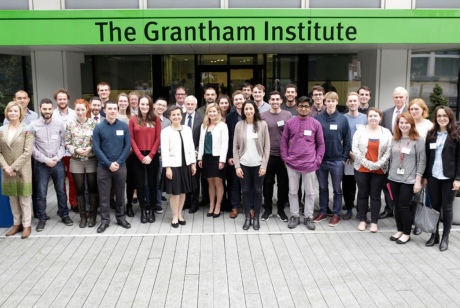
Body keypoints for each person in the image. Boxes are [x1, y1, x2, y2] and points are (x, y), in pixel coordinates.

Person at [281, 97, 325, 230]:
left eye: (306, 106)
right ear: (297, 107)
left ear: (310, 108)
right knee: (293, 192)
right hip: (292, 163)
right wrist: (285, 158)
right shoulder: (290, 123)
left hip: (310, 164)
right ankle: (294, 215)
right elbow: (284, 142)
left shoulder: (315, 123)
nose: (303, 108)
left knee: (310, 192)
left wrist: (317, 160)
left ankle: (308, 216)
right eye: (301, 106)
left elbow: (321, 144)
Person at [32, 98, 73, 232]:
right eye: (45, 109)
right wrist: (45, 160)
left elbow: (63, 143)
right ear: (40, 109)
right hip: (41, 164)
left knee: (61, 190)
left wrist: (56, 158)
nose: (47, 111)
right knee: (41, 192)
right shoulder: (34, 125)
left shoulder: (59, 123)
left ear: (52, 109)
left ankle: (64, 214)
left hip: (57, 162)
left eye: (49, 109)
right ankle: (42, 218)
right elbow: (32, 148)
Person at [423, 106, 460, 251]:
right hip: (433, 176)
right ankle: (434, 234)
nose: (442, 118)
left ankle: (445, 237)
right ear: (435, 118)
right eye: (439, 116)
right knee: (435, 207)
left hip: (449, 177)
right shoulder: (431, 134)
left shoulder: (456, 134)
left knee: (448, 207)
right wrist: (425, 177)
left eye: (445, 115)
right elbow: (427, 157)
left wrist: (458, 178)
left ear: (450, 117)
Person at [92, 100, 132, 233]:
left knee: (120, 193)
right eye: (110, 108)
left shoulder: (123, 126)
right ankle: (104, 221)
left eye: (115, 108)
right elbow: (96, 148)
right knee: (104, 195)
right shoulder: (98, 127)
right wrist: (108, 164)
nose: (113, 111)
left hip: (120, 166)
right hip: (103, 167)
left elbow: (127, 146)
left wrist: (118, 162)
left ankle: (121, 217)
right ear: (105, 110)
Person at [313, 91, 351, 227]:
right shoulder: (317, 119)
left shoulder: (342, 119)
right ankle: (323, 211)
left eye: (333, 101)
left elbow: (347, 140)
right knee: (322, 188)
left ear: (336, 102)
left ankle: (336, 214)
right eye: (328, 101)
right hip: (321, 160)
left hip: (337, 160)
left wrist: (344, 158)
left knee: (337, 189)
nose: (330, 103)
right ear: (324, 102)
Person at [352, 107, 392, 232]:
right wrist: (368, 163)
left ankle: (374, 222)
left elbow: (389, 151)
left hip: (380, 169)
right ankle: (363, 220)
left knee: (375, 196)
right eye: (370, 116)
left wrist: (378, 164)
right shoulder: (360, 131)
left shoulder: (386, 132)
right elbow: (355, 149)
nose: (373, 118)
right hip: (361, 168)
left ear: (380, 118)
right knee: (363, 194)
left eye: (376, 116)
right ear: (367, 117)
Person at [388, 112, 426, 244]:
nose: (404, 125)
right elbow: (391, 158)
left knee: (404, 206)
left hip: (409, 180)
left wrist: (418, 181)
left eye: (406, 123)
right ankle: (399, 229)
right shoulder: (395, 139)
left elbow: (421, 162)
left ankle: (406, 233)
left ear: (411, 124)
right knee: (396, 206)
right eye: (401, 122)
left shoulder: (418, 140)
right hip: (393, 178)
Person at [233, 100, 270, 230]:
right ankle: (248, 217)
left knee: (258, 191)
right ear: (243, 111)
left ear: (255, 110)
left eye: (251, 109)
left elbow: (267, 147)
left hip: (258, 164)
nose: (248, 111)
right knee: (245, 191)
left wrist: (264, 165)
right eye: (246, 109)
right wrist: (237, 166)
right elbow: (235, 148)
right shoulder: (239, 125)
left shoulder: (263, 124)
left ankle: (256, 218)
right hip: (244, 164)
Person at [0, 102, 34, 239]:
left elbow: (27, 152)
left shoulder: (27, 129)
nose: (12, 113)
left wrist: (13, 167)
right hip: (6, 170)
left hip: (22, 169)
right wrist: (6, 167)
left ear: (20, 113)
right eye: (10, 111)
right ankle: (16, 224)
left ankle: (27, 225)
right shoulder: (1, 130)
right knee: (12, 199)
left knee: (24, 199)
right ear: (7, 113)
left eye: (15, 111)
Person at [161, 106, 197, 228]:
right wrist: (167, 167)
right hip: (173, 165)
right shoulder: (165, 132)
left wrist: (193, 163)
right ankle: (174, 216)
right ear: (169, 117)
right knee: (175, 193)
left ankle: (180, 214)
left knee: (183, 191)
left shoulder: (187, 129)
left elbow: (191, 147)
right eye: (173, 115)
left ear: (181, 116)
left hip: (186, 164)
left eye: (178, 114)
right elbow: (164, 151)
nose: (176, 117)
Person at [65, 99, 99, 228]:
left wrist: (91, 148)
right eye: (78, 110)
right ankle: (83, 217)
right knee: (79, 190)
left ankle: (93, 216)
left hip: (91, 160)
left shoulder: (93, 124)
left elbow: (97, 141)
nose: (80, 112)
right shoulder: (70, 125)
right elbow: (67, 142)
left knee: (92, 188)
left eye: (82, 110)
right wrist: (76, 149)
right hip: (76, 160)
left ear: (87, 110)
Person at [260, 91, 292, 222]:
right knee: (267, 183)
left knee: (283, 184)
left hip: (283, 156)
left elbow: (291, 135)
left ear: (281, 101)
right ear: (269, 100)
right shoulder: (262, 116)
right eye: (272, 99)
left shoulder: (287, 115)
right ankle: (267, 209)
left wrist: (289, 155)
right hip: (267, 156)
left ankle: (280, 210)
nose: (274, 102)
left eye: (277, 99)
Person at [129, 95, 161, 224]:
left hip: (152, 155)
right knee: (140, 184)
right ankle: (143, 210)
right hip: (138, 156)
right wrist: (141, 157)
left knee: (153, 184)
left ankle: (152, 209)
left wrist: (151, 155)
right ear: (138, 105)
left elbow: (158, 138)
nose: (144, 107)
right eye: (142, 104)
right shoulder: (133, 120)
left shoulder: (156, 119)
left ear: (151, 105)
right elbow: (131, 139)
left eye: (147, 104)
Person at [380, 86, 409, 219]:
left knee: (406, 183)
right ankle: (389, 207)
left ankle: (405, 209)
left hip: (407, 155)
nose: (398, 99)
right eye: (396, 97)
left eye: (401, 97)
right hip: (390, 155)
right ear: (393, 98)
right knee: (388, 182)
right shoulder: (385, 113)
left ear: (406, 98)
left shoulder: (411, 113)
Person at [198, 103, 229, 217]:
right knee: (210, 182)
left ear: (218, 113)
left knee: (218, 182)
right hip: (207, 157)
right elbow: (201, 143)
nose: (212, 113)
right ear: (207, 113)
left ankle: (218, 206)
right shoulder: (204, 125)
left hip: (218, 157)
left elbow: (225, 144)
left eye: (214, 111)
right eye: (210, 112)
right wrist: (200, 157)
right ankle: (211, 205)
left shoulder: (222, 126)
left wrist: (222, 160)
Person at [342, 92, 368, 220]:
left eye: (354, 101)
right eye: (350, 101)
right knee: (348, 185)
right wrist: (348, 154)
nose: (352, 103)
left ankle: (360, 211)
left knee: (363, 185)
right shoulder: (342, 118)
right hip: (348, 157)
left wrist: (358, 155)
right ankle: (348, 209)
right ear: (347, 103)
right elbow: (340, 138)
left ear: (359, 102)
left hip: (362, 157)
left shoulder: (365, 118)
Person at [52, 88, 78, 212]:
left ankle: (73, 202)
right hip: (57, 153)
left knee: (72, 179)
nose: (62, 101)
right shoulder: (52, 114)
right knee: (60, 181)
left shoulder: (74, 114)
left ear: (68, 99)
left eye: (64, 99)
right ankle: (62, 206)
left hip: (71, 152)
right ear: (56, 100)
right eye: (59, 99)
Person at [181, 95, 204, 214]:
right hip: (182, 154)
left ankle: (194, 203)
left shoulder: (202, 118)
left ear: (196, 105)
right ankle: (186, 202)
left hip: (196, 153)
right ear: (184, 105)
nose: (190, 106)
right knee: (185, 177)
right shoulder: (180, 117)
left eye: (192, 104)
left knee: (195, 178)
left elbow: (203, 137)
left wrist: (197, 151)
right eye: (188, 104)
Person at [226, 91, 245, 218]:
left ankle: (249, 207)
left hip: (249, 154)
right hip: (234, 154)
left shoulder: (251, 114)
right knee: (234, 182)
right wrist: (229, 156)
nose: (238, 101)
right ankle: (235, 207)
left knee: (248, 183)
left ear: (245, 99)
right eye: (236, 100)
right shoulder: (229, 117)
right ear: (233, 102)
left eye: (240, 99)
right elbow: (228, 138)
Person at [153, 98, 171, 214]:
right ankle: (147, 201)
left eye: (163, 105)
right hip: (149, 154)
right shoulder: (148, 119)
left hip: (161, 155)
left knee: (159, 179)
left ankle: (157, 202)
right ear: (154, 105)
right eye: (159, 104)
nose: (161, 107)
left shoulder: (167, 122)